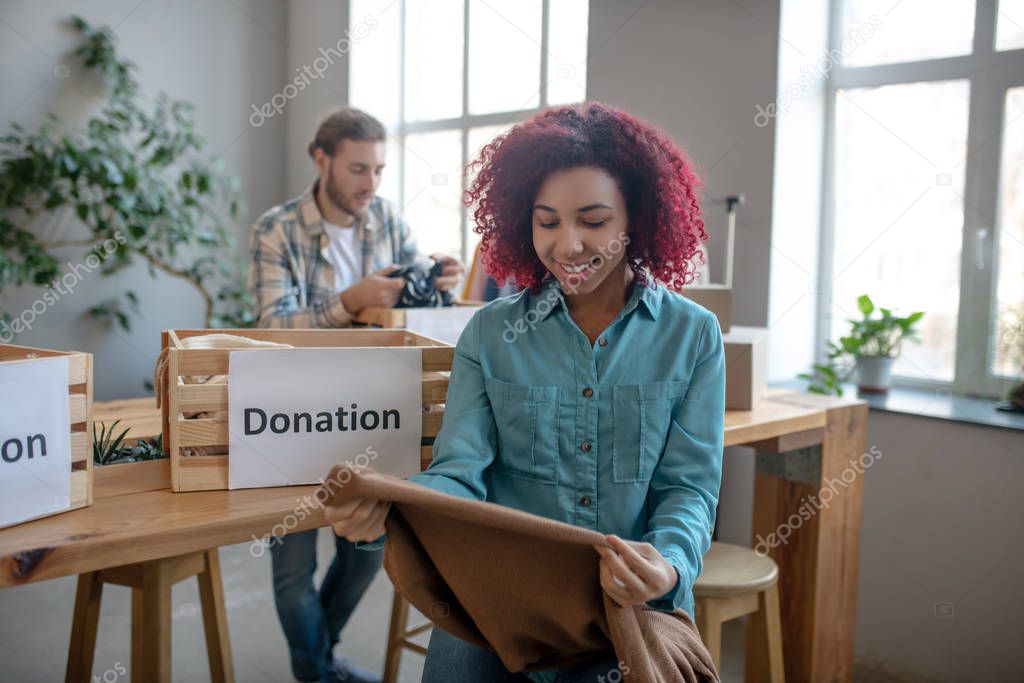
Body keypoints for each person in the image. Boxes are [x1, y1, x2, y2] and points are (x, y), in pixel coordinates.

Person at [325, 102, 725, 682]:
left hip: (626, 606)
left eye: (592, 221)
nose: (567, 245)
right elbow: (458, 474)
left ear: (635, 218)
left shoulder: (692, 336)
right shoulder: (490, 334)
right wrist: (390, 512)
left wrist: (667, 565)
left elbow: (688, 488)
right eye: (547, 221)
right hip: (496, 602)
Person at [247, 106, 464, 683]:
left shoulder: (389, 220)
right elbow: (270, 327)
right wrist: (347, 301)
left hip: (371, 409)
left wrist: (441, 280)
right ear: (321, 160)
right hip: (289, 413)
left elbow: (411, 315)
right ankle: (320, 674)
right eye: (358, 169)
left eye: (379, 170)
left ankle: (317, 662)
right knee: (293, 564)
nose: (371, 184)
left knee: (367, 550)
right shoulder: (277, 228)